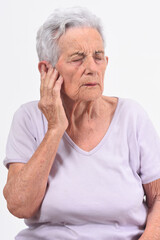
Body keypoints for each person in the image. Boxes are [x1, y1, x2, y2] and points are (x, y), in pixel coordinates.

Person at [3, 6, 160, 240]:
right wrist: (55, 128)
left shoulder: (131, 117)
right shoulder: (28, 119)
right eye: (77, 59)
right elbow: (19, 206)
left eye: (98, 57)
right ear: (47, 70)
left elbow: (158, 196)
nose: (92, 69)